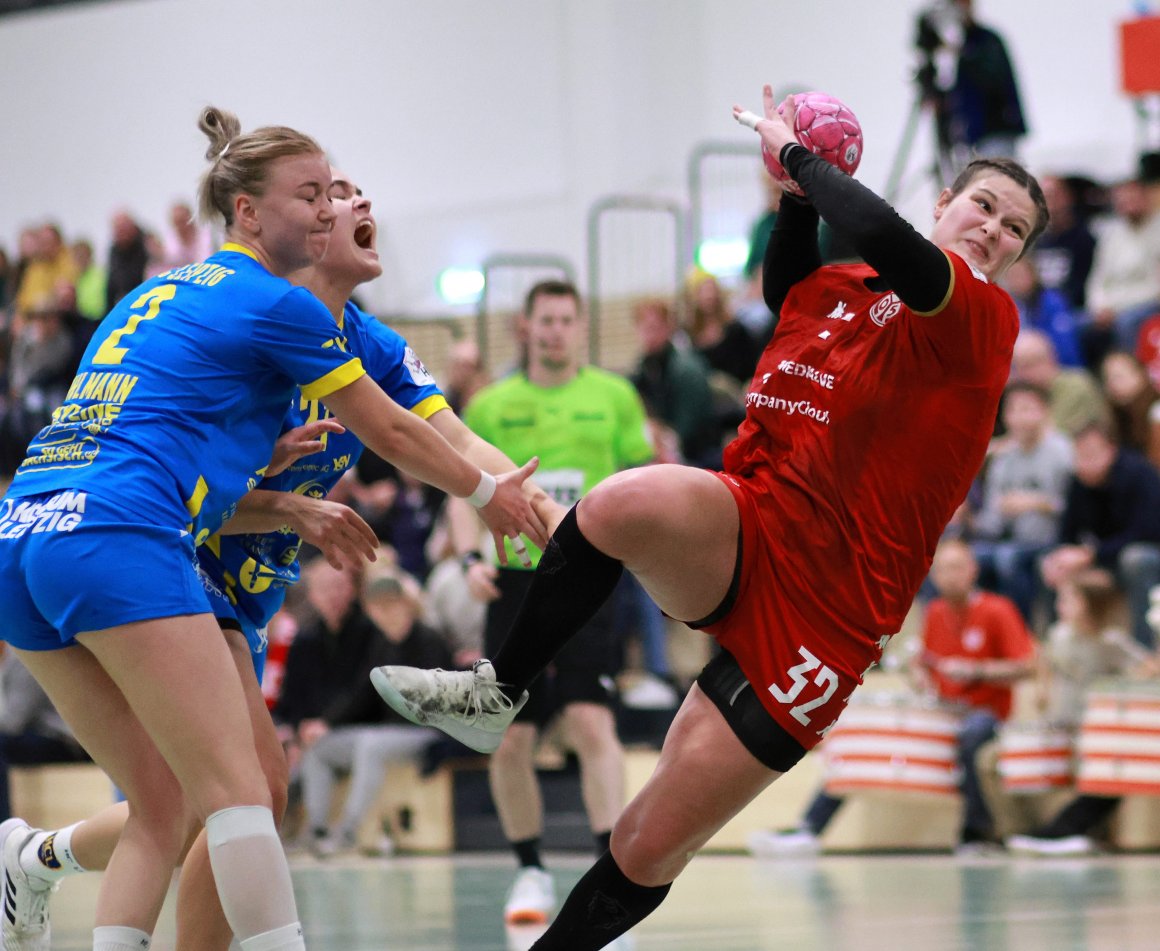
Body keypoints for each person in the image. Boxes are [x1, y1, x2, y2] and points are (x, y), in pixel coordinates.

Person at [371, 85, 1050, 949]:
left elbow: (886, 237)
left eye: (1013, 229)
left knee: (646, 842)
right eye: (983, 205)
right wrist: (795, 198)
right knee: (623, 500)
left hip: (827, 616)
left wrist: (798, 155)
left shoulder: (979, 314)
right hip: (755, 520)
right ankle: (494, 691)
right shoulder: (848, 285)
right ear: (946, 201)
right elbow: (789, 282)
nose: (993, 228)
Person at [0, 107, 543, 951]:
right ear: (254, 214)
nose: (342, 208)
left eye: (344, 193)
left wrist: (527, 498)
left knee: (186, 797)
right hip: (154, 551)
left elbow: (448, 433)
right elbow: (400, 442)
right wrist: (479, 494)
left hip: (49, 526)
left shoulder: (355, 339)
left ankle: (39, 856)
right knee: (240, 788)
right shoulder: (276, 310)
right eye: (321, 195)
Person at [450, 278, 654, 925]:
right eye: (547, 320)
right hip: (513, 583)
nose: (557, 330)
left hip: (589, 578)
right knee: (509, 736)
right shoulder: (490, 404)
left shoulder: (614, 397)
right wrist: (467, 560)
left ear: (581, 325)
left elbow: (641, 482)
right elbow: (461, 489)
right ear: (526, 326)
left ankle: (606, 876)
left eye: (568, 319)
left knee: (594, 723)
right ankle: (531, 870)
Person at [748, 539, 1036, 856]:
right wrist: (921, 675)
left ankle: (976, 835)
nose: (949, 576)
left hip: (985, 713)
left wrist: (975, 670)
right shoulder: (936, 612)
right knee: (861, 735)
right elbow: (925, 663)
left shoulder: (998, 609)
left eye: (956, 567)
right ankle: (809, 829)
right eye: (941, 570)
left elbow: (1027, 667)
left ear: (973, 570)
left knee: (972, 735)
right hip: (942, 711)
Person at [293, 565, 450, 858]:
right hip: (387, 730)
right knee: (319, 747)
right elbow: (361, 692)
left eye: (392, 603)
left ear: (406, 603)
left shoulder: (429, 640)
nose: (387, 611)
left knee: (371, 745)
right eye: (379, 606)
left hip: (425, 731)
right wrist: (325, 724)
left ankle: (349, 832)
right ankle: (317, 831)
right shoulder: (380, 644)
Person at [1006, 569, 1156, 856]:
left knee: (1106, 767)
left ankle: (1063, 832)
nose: (1060, 607)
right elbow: (1043, 666)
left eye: (1068, 600)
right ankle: (1038, 831)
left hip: (1094, 727)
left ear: (1088, 604)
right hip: (1062, 723)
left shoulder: (1111, 642)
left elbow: (1146, 665)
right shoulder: (1059, 636)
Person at [1041, 421, 1160, 648]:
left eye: (1092, 454)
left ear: (1111, 450)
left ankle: (1144, 648)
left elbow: (1146, 532)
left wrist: (1091, 555)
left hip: (1145, 553)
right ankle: (1053, 644)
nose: (1085, 463)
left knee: (1135, 559)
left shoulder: (1139, 474)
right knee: (1047, 560)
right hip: (1104, 556)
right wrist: (1063, 556)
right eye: (1079, 455)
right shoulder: (1078, 481)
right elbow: (1067, 533)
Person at [967, 380, 1073, 623]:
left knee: (1008, 558)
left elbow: (1075, 508)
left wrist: (1037, 503)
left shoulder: (1062, 453)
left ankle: (1020, 634)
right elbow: (991, 519)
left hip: (1051, 540)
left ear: (1045, 412)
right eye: (1012, 410)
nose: (1019, 418)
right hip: (1008, 539)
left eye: (1027, 409)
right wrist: (969, 518)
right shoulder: (1003, 458)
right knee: (970, 559)